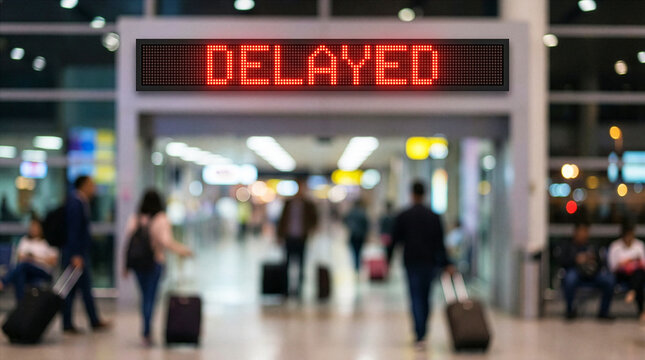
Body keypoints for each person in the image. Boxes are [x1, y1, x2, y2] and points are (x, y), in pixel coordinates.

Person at [392, 181, 455, 350]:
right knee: (426, 297)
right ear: (425, 194)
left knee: (415, 297)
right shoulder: (433, 216)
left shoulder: (403, 215)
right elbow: (440, 243)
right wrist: (447, 263)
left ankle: (419, 334)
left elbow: (395, 240)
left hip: (411, 262)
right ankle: (423, 332)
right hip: (429, 262)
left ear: (411, 194)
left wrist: (388, 259)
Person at [124, 189, 193, 346]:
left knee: (144, 298)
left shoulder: (135, 218)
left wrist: (125, 265)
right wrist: (183, 250)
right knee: (151, 298)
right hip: (154, 263)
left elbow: (129, 243)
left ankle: (146, 331)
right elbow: (166, 242)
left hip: (138, 265)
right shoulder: (161, 219)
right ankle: (147, 332)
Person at [62, 175, 110, 334]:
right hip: (75, 254)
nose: (93, 188)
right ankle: (69, 322)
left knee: (82, 288)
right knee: (71, 289)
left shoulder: (82, 202)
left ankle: (92, 320)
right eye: (91, 184)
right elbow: (73, 231)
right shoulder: (75, 203)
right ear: (82, 185)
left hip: (79, 253)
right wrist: (75, 254)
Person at [559, 222, 614, 320]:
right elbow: (562, 261)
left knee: (609, 280)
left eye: (586, 232)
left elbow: (602, 263)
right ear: (575, 232)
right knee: (569, 279)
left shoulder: (592, 245)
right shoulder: (568, 245)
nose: (584, 234)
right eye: (581, 231)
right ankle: (570, 310)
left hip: (593, 274)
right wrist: (576, 259)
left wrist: (593, 259)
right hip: (576, 272)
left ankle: (603, 312)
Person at [0, 216, 58, 301]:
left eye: (36, 227)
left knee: (24, 265)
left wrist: (34, 258)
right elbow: (19, 257)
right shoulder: (25, 240)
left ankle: (3, 282)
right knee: (20, 274)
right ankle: (21, 304)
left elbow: (53, 261)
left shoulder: (47, 242)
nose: (33, 229)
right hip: (27, 271)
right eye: (32, 227)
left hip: (42, 271)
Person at [277, 178, 318, 298]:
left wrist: (311, 230)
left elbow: (314, 219)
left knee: (301, 264)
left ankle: (299, 289)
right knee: (287, 263)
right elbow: (282, 220)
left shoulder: (308, 204)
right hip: (289, 237)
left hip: (302, 238)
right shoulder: (288, 203)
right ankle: (285, 289)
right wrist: (279, 235)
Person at [608, 221, 645, 323]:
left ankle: (633, 291)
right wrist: (624, 263)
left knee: (638, 275)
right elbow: (612, 267)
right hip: (621, 274)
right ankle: (641, 311)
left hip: (636, 273)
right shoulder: (615, 246)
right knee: (638, 279)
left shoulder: (639, 245)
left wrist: (634, 263)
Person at [344, 200, 369, 273]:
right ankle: (357, 266)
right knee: (359, 251)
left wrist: (351, 227)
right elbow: (366, 224)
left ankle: (356, 266)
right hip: (361, 235)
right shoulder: (362, 213)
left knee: (354, 251)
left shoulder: (351, 213)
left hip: (353, 235)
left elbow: (345, 220)